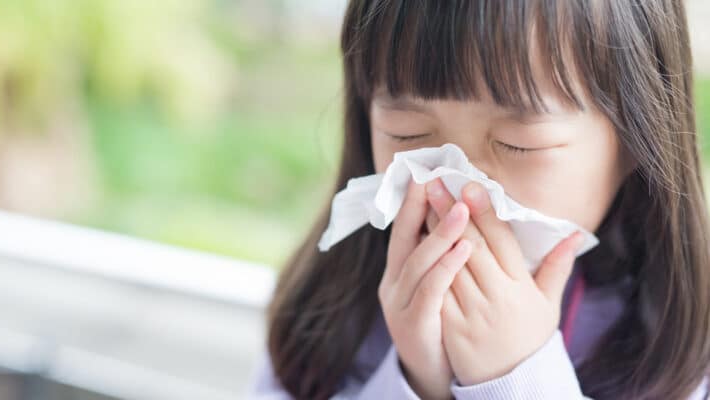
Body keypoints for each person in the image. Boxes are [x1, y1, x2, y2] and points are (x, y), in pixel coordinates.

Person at [248, 0, 710, 398]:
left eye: (518, 143)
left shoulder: (686, 341)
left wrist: (517, 378)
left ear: (638, 140)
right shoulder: (330, 305)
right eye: (408, 135)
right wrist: (418, 382)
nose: (460, 189)